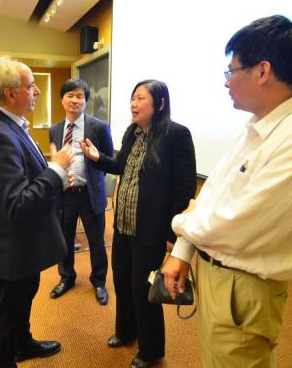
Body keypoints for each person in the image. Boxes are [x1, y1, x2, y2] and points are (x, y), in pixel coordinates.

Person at [162, 15, 292, 367]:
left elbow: (243, 224)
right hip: (219, 274)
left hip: (244, 288)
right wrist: (185, 251)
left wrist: (179, 229)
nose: (226, 83)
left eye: (231, 71)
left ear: (262, 71)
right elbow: (214, 195)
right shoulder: (256, 127)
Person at [80, 80, 196, 368]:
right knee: (122, 282)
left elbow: (184, 189)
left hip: (152, 231)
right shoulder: (133, 132)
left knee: (143, 290)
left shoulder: (176, 135)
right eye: (132, 98)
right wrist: (97, 158)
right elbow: (120, 167)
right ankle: (126, 331)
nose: (133, 103)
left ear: (160, 104)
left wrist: (173, 234)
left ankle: (151, 350)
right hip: (124, 225)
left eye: (140, 98)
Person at [0, 56, 75, 368]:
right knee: (11, 307)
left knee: (25, 294)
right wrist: (55, 171)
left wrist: (54, 177)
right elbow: (16, 203)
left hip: (24, 240)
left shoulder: (10, 125)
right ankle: (4, 362)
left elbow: (26, 180)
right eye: (31, 86)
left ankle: (23, 344)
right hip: (12, 244)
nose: (37, 92)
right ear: (11, 93)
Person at [49, 78, 114, 305]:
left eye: (80, 96)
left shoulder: (99, 127)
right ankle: (66, 277)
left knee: (96, 242)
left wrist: (93, 179)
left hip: (89, 194)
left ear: (86, 101)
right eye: (70, 95)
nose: (75, 100)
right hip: (64, 196)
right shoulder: (55, 129)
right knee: (64, 240)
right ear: (62, 100)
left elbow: (107, 162)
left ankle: (99, 282)